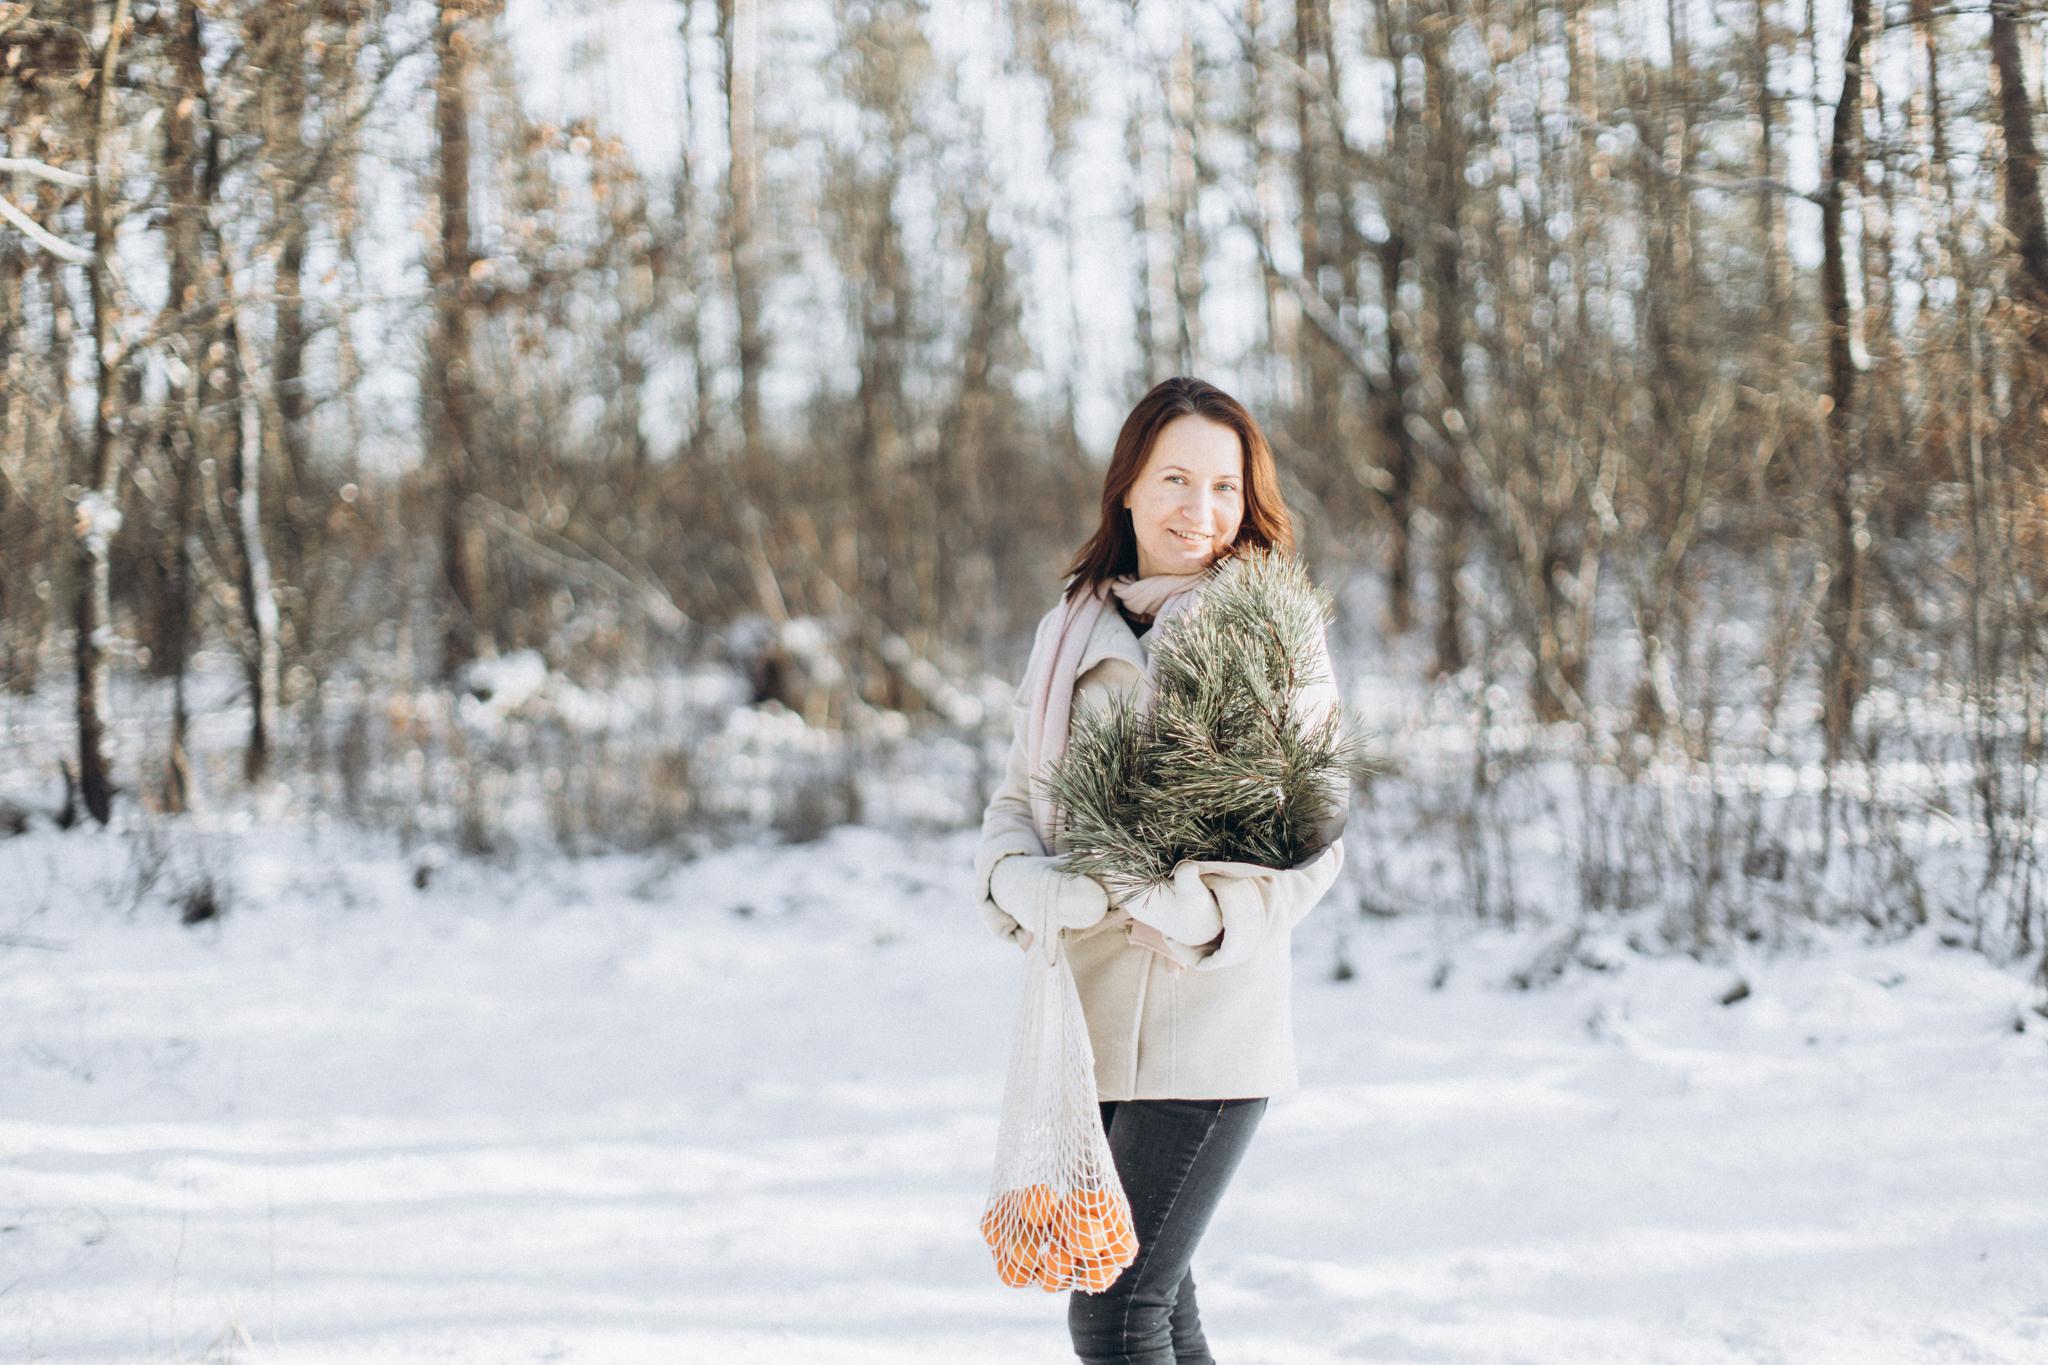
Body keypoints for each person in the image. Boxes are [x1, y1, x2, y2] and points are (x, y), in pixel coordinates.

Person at [974, 376, 1346, 1365]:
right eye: (1175, 478)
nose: (1200, 510)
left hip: (1209, 1022)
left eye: (1223, 487)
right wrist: (1026, 883)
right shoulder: (1068, 628)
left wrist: (1189, 911)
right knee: (1159, 1301)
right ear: (1127, 486)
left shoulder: (1270, 631)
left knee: (1114, 1308)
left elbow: (1314, 840)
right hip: (1084, 1024)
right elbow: (1016, 802)